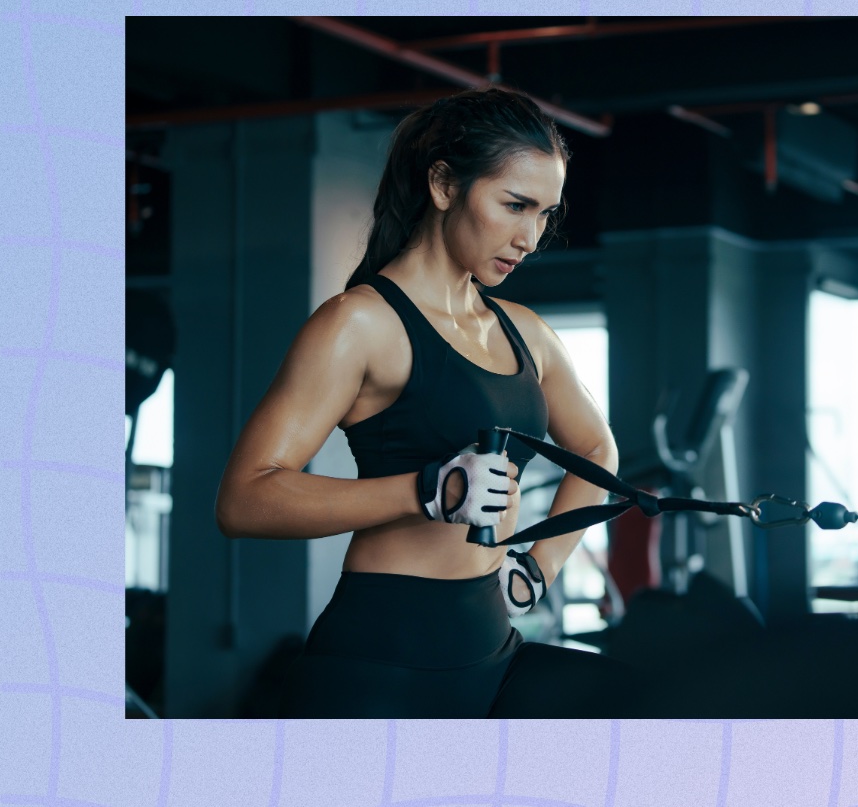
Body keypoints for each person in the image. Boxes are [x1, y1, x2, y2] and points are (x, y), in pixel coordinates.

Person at [216, 87, 636, 718]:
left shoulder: (526, 331)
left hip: (491, 644)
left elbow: (596, 451)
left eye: (545, 213)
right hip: (382, 651)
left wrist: (538, 567)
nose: (530, 237)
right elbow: (244, 498)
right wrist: (427, 490)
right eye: (514, 204)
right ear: (444, 184)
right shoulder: (359, 323)